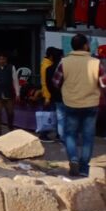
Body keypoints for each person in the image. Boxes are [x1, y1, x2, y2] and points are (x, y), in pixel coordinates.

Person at [52, 34, 106, 177]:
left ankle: (73, 159)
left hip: (71, 103)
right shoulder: (96, 62)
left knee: (70, 135)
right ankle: (83, 168)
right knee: (88, 137)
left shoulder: (64, 62)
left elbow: (56, 82)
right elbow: (104, 83)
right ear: (86, 45)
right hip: (91, 104)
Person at [43, 47, 65, 142]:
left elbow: (47, 83)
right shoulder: (64, 68)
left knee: (58, 117)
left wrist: (51, 94)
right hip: (66, 96)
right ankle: (63, 137)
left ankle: (59, 135)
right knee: (66, 117)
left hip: (55, 96)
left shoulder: (48, 68)